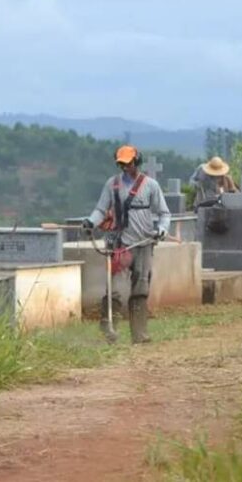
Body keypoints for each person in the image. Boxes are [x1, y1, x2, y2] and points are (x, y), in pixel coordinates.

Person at [82, 145, 171, 344]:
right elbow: (100, 209)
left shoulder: (151, 186)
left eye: (128, 163)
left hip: (143, 242)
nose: (124, 167)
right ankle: (108, 330)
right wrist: (90, 222)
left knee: (140, 287)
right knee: (113, 287)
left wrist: (162, 229)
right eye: (121, 164)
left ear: (136, 161)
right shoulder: (111, 185)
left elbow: (164, 213)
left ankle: (139, 333)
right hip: (120, 244)